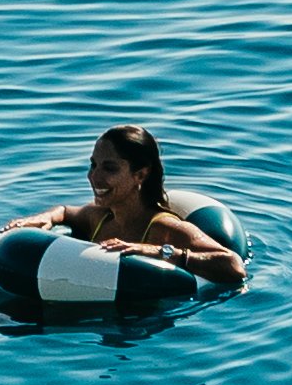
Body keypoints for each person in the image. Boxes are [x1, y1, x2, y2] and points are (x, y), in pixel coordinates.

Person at [33, 123, 245, 290]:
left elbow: (233, 265)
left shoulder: (166, 229)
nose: (94, 177)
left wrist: (158, 251)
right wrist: (46, 217)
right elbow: (64, 211)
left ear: (140, 174)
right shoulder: (99, 218)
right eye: (93, 165)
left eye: (109, 168)